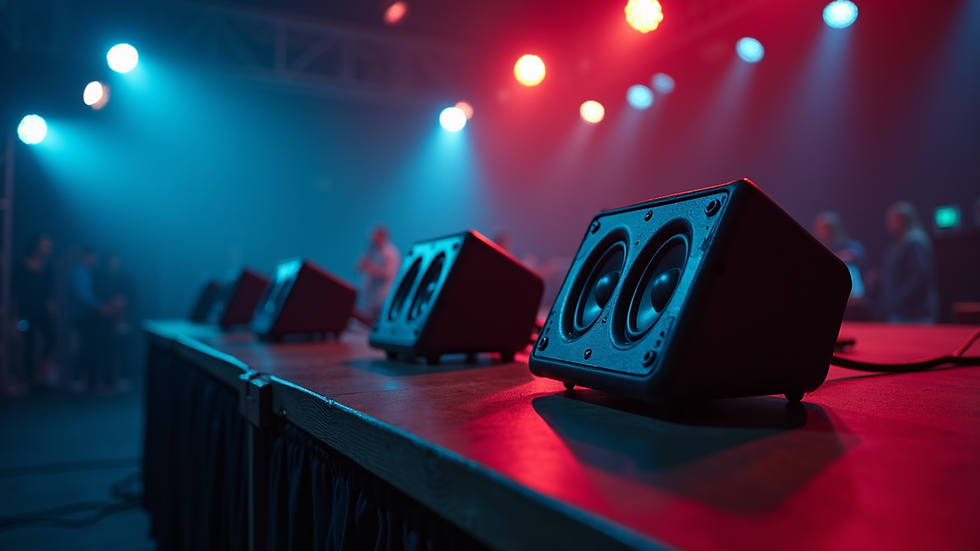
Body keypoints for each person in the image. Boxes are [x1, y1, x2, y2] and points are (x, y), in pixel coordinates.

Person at [879, 201, 939, 323]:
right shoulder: (897, 243)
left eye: (892, 219)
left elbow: (920, 277)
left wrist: (897, 299)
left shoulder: (914, 242)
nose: (888, 223)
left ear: (903, 220)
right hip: (901, 312)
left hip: (914, 314)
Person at [11, 234, 57, 392]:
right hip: (25, 312)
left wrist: (51, 304)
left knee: (51, 340)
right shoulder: (20, 268)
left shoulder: (48, 270)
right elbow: (15, 294)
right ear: (36, 246)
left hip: (42, 311)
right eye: (45, 245)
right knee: (28, 344)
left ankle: (40, 377)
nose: (48, 248)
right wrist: (14, 317)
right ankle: (31, 380)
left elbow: (48, 294)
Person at [70, 248, 114, 392]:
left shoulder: (89, 272)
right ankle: (83, 380)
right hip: (83, 316)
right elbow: (83, 296)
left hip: (89, 316)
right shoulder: (79, 272)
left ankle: (85, 380)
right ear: (85, 256)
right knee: (88, 347)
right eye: (92, 257)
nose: (94, 261)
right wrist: (101, 306)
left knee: (88, 347)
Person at [812, 211, 870, 318]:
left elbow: (858, 258)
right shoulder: (817, 249)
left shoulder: (852, 246)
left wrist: (845, 256)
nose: (824, 231)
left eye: (827, 227)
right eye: (821, 228)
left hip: (852, 303)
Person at [96, 253, 137, 391]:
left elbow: (134, 297)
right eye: (112, 261)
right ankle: (108, 380)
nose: (114, 264)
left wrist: (123, 301)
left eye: (116, 261)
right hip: (104, 318)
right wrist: (107, 305)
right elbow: (96, 296)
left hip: (122, 319)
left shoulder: (125, 278)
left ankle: (125, 377)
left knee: (123, 348)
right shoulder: (101, 278)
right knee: (107, 349)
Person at [353, 226, 400, 325]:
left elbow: (387, 274)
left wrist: (369, 267)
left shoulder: (391, 253)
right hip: (366, 297)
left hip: (380, 298)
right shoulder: (371, 251)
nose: (372, 240)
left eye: (374, 237)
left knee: (371, 324)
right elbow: (358, 268)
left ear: (382, 236)